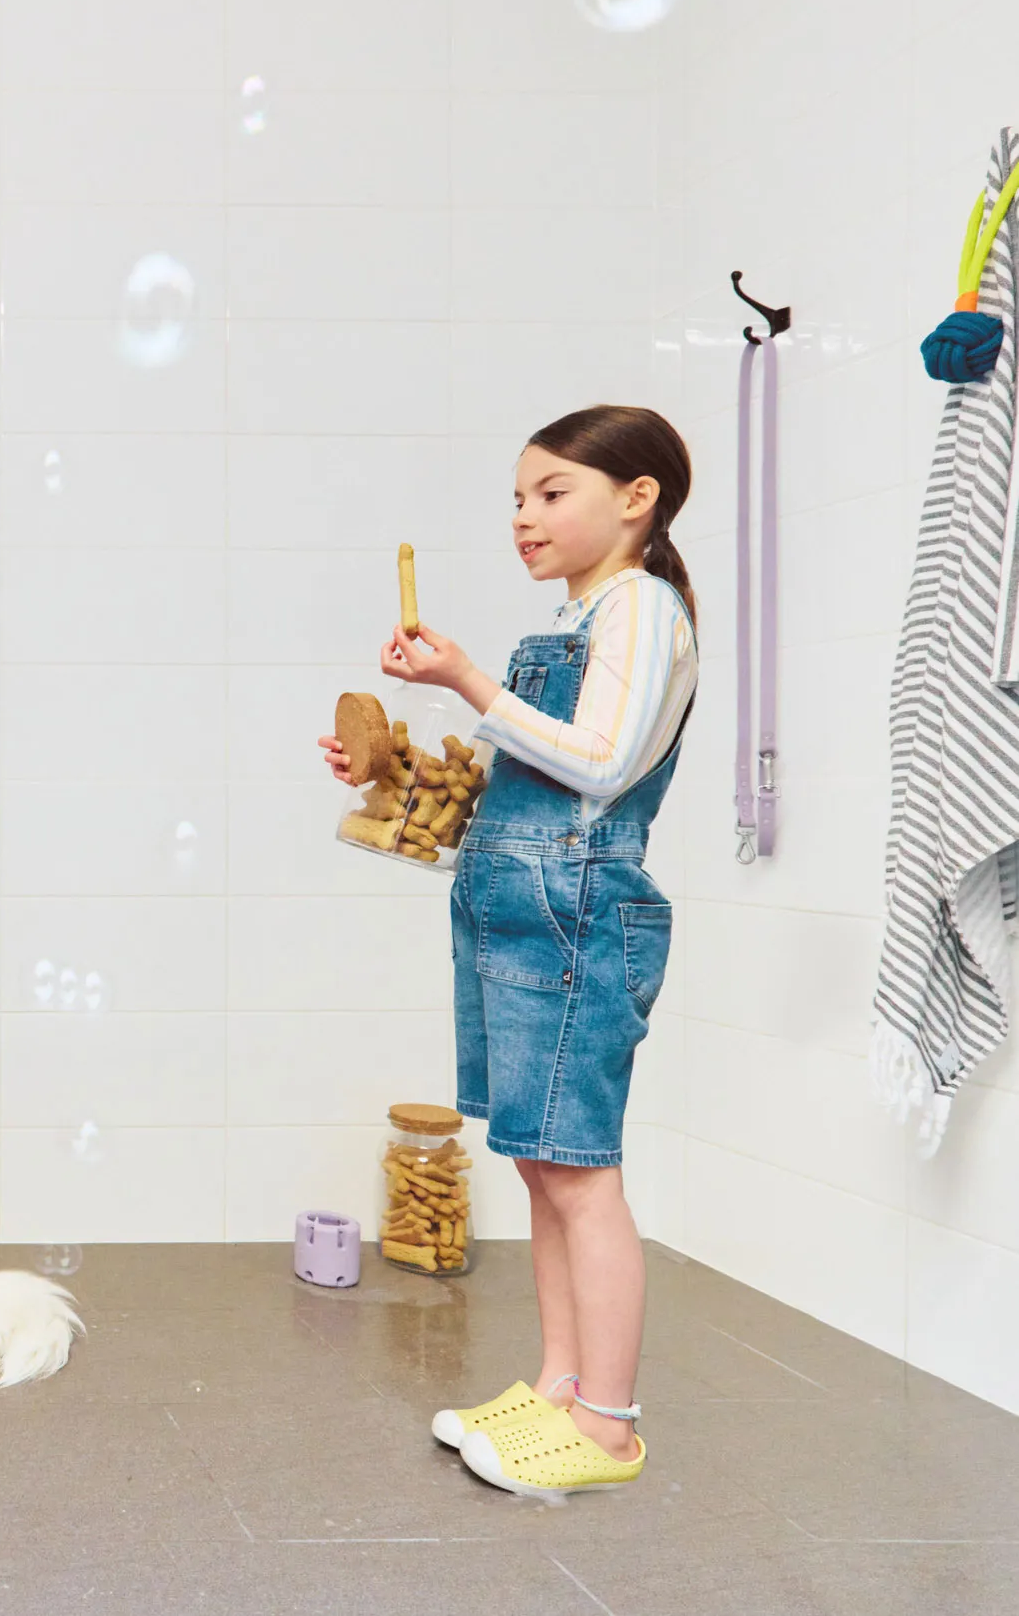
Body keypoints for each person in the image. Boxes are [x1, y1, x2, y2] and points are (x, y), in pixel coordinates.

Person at [320, 404, 698, 1498]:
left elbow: (598, 762)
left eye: (550, 493)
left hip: (576, 908)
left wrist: (468, 684)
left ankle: (610, 1424)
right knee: (541, 1161)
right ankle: (557, 1388)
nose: (524, 518)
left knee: (580, 1172)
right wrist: (388, 766)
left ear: (637, 499)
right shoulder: (583, 616)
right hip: (522, 901)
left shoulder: (641, 608)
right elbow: (524, 787)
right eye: (517, 500)